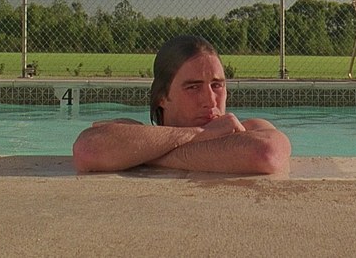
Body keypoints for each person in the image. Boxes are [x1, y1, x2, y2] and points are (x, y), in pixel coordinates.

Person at [72, 35, 291, 174]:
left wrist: (142, 155)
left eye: (217, 85)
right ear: (162, 97)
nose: (210, 100)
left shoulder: (250, 129)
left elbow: (266, 153)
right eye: (193, 87)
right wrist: (202, 133)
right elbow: (87, 150)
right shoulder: (134, 132)